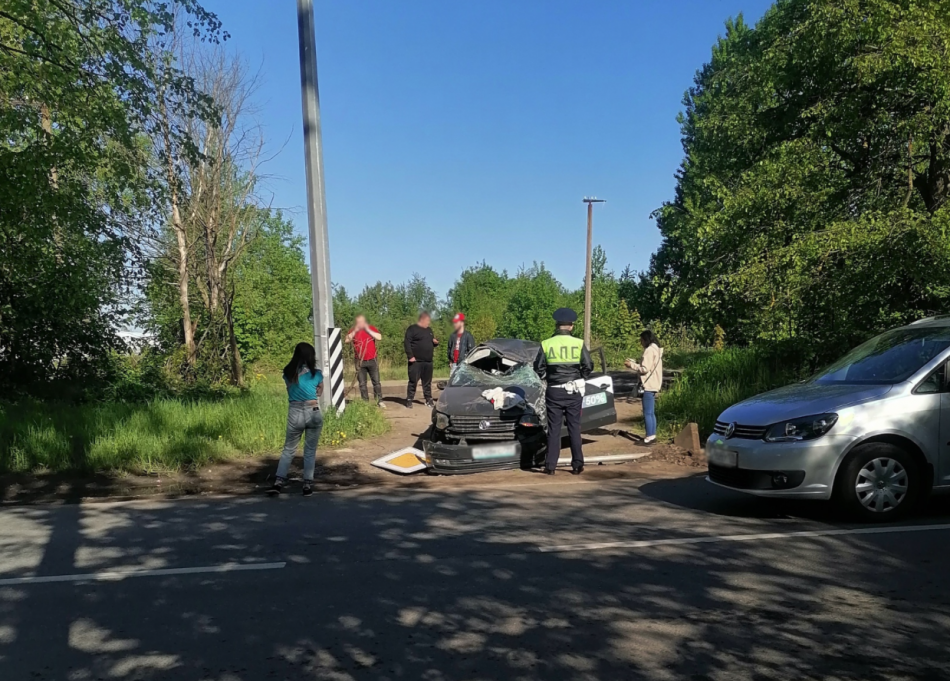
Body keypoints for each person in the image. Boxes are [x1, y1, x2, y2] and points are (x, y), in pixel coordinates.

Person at [534, 307, 593, 475]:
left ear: (557, 325)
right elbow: (588, 365)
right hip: (573, 390)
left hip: (554, 391)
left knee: (554, 429)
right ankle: (577, 464)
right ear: (571, 326)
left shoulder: (546, 344)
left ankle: (550, 466)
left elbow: (538, 368)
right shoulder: (578, 343)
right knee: (574, 427)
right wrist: (580, 377)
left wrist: (548, 378)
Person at [268, 342, 325, 497]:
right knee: (310, 450)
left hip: (295, 411)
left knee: (288, 449)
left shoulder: (288, 373)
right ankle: (307, 485)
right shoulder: (317, 374)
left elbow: (289, 390)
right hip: (313, 411)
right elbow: (319, 393)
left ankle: (278, 482)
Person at [626, 330, 664, 445]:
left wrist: (631, 365)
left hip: (648, 385)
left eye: (641, 340)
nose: (641, 342)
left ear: (646, 339)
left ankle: (648, 438)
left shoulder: (649, 351)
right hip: (655, 384)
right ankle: (652, 435)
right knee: (651, 412)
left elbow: (644, 369)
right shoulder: (656, 350)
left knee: (647, 412)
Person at [346, 315, 384, 407]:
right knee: (362, 384)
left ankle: (379, 401)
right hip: (359, 360)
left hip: (372, 359)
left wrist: (368, 330)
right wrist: (355, 331)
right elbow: (347, 340)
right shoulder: (353, 330)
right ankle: (365, 402)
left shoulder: (371, 328)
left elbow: (379, 337)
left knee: (376, 382)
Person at [404, 312, 439, 408]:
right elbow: (407, 343)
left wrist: (435, 343)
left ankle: (428, 399)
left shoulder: (429, 330)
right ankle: (409, 399)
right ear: (422, 319)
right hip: (416, 361)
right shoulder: (412, 329)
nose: (429, 323)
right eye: (428, 321)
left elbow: (430, 342)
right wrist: (410, 356)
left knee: (427, 382)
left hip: (428, 361)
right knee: (413, 381)